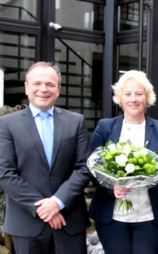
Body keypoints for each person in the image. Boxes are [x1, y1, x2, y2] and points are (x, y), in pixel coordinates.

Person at [0, 61, 91, 253]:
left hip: (69, 222)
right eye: (37, 83)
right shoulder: (7, 124)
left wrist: (58, 202)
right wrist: (44, 209)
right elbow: (5, 173)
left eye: (50, 84)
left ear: (58, 89)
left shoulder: (75, 122)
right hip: (26, 224)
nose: (43, 89)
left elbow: (83, 167)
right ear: (26, 87)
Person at [89, 70, 158, 254]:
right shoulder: (105, 128)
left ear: (147, 98)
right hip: (113, 219)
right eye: (128, 94)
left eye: (139, 94)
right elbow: (92, 168)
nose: (133, 99)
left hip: (151, 219)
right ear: (120, 98)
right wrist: (111, 186)